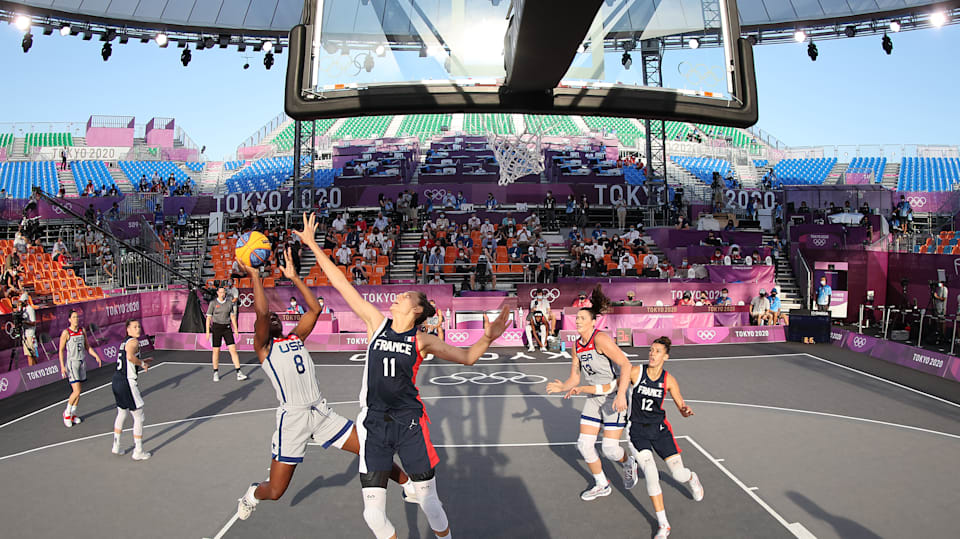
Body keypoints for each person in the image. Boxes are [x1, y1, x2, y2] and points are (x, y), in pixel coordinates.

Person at [305, 211, 511, 539]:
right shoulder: (376, 324)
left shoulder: (422, 339)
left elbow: (469, 357)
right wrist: (314, 246)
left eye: (405, 297)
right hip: (373, 423)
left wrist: (487, 338)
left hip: (410, 423)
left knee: (429, 501)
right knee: (372, 513)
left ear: (416, 309)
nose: (398, 296)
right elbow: (342, 284)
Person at [233, 233, 421, 524]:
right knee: (276, 490)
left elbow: (315, 309)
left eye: (274, 317)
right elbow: (261, 312)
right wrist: (255, 275)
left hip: (321, 413)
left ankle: (408, 484)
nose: (271, 318)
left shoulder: (294, 338)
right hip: (293, 420)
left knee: (372, 448)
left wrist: (294, 277)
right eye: (268, 320)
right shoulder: (264, 349)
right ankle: (251, 495)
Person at [546, 286, 635, 501]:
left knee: (610, 449)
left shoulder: (600, 339)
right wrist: (563, 386)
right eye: (577, 318)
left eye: (582, 318)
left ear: (593, 322)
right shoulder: (576, 346)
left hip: (613, 395)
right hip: (594, 397)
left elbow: (626, 364)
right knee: (584, 445)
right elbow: (575, 377)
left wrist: (623, 393)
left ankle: (627, 462)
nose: (578, 321)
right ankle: (602, 484)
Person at [624, 337, 703, 538]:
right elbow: (616, 387)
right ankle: (664, 524)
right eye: (651, 350)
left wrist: (685, 410)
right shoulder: (636, 372)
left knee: (679, 475)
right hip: (637, 430)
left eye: (657, 351)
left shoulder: (669, 380)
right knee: (650, 471)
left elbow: (680, 405)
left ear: (665, 356)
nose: (652, 354)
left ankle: (692, 478)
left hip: (660, 431)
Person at [111, 320, 152, 460]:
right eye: (134, 327)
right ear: (128, 329)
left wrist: (142, 361)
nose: (138, 328)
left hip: (116, 380)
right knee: (139, 416)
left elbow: (128, 359)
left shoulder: (124, 342)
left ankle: (116, 445)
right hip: (127, 382)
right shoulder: (134, 342)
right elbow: (129, 356)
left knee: (122, 413)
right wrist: (141, 363)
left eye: (139, 326)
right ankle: (138, 451)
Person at [59, 309, 103, 427]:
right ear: (69, 320)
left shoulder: (81, 331)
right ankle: (67, 413)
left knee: (79, 391)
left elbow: (87, 346)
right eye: (73, 317)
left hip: (82, 361)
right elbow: (61, 350)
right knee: (76, 391)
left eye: (77, 317)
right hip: (72, 363)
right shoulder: (66, 333)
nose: (76, 319)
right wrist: (62, 366)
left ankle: (73, 413)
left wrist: (96, 356)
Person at [205, 285, 248, 382]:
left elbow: (232, 317)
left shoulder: (229, 303)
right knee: (216, 351)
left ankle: (239, 372)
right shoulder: (213, 303)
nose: (222, 294)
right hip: (216, 328)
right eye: (221, 292)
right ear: (217, 293)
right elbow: (208, 318)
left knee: (233, 350)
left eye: (224, 292)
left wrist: (236, 329)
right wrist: (207, 331)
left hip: (227, 328)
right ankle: (215, 372)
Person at [19, 292, 38, 366]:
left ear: (26, 301)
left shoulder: (30, 309)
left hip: (30, 334)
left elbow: (33, 322)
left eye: (22, 301)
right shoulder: (22, 309)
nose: (21, 303)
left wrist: (24, 322)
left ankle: (33, 368)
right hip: (25, 334)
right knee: (28, 354)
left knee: (32, 354)